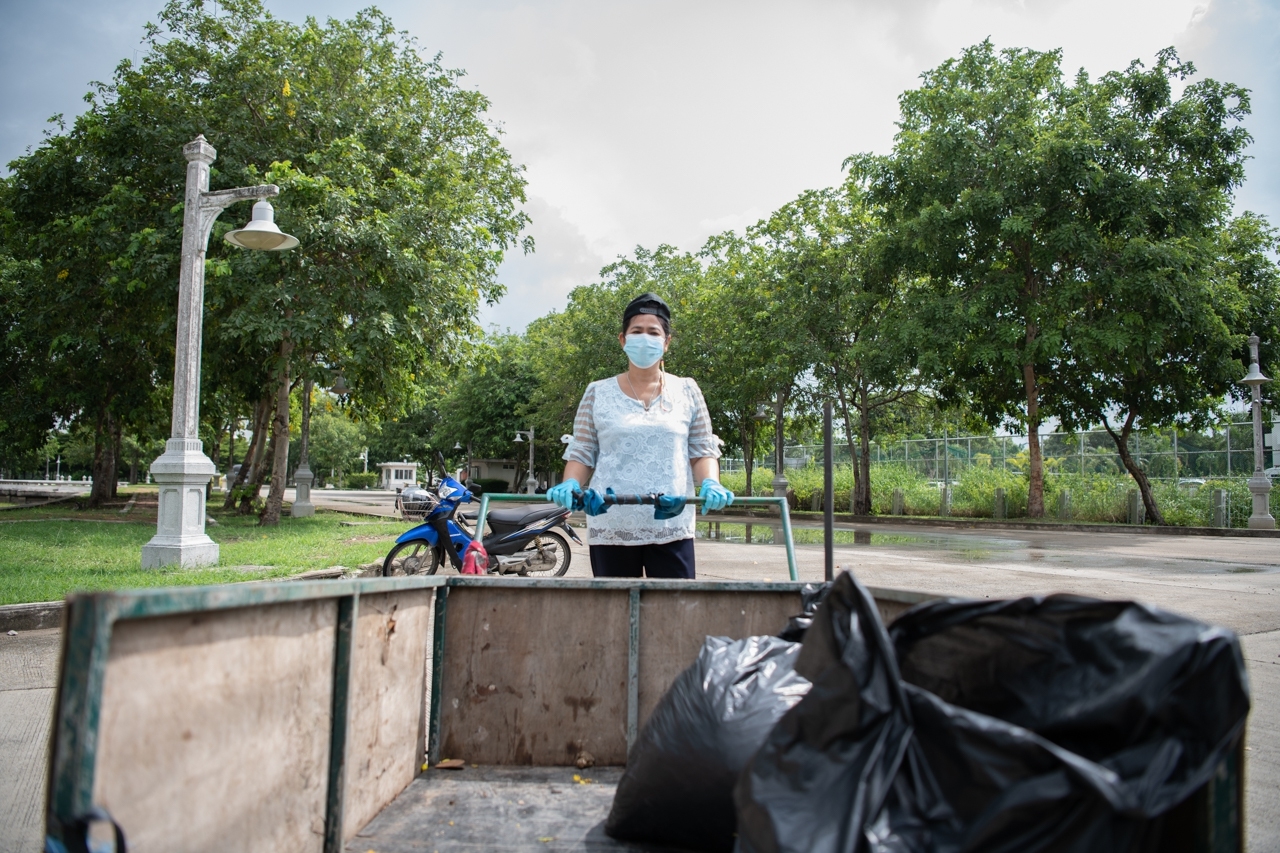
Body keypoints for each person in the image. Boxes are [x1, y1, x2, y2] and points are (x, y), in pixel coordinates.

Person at [548, 292, 734, 578]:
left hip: (671, 523)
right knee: (616, 605)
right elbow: (583, 451)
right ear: (623, 339)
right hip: (612, 523)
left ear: (666, 342)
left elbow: (700, 450)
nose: (644, 338)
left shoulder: (687, 390)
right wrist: (570, 483)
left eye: (653, 332)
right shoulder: (598, 392)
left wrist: (711, 482)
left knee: (674, 604)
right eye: (636, 331)